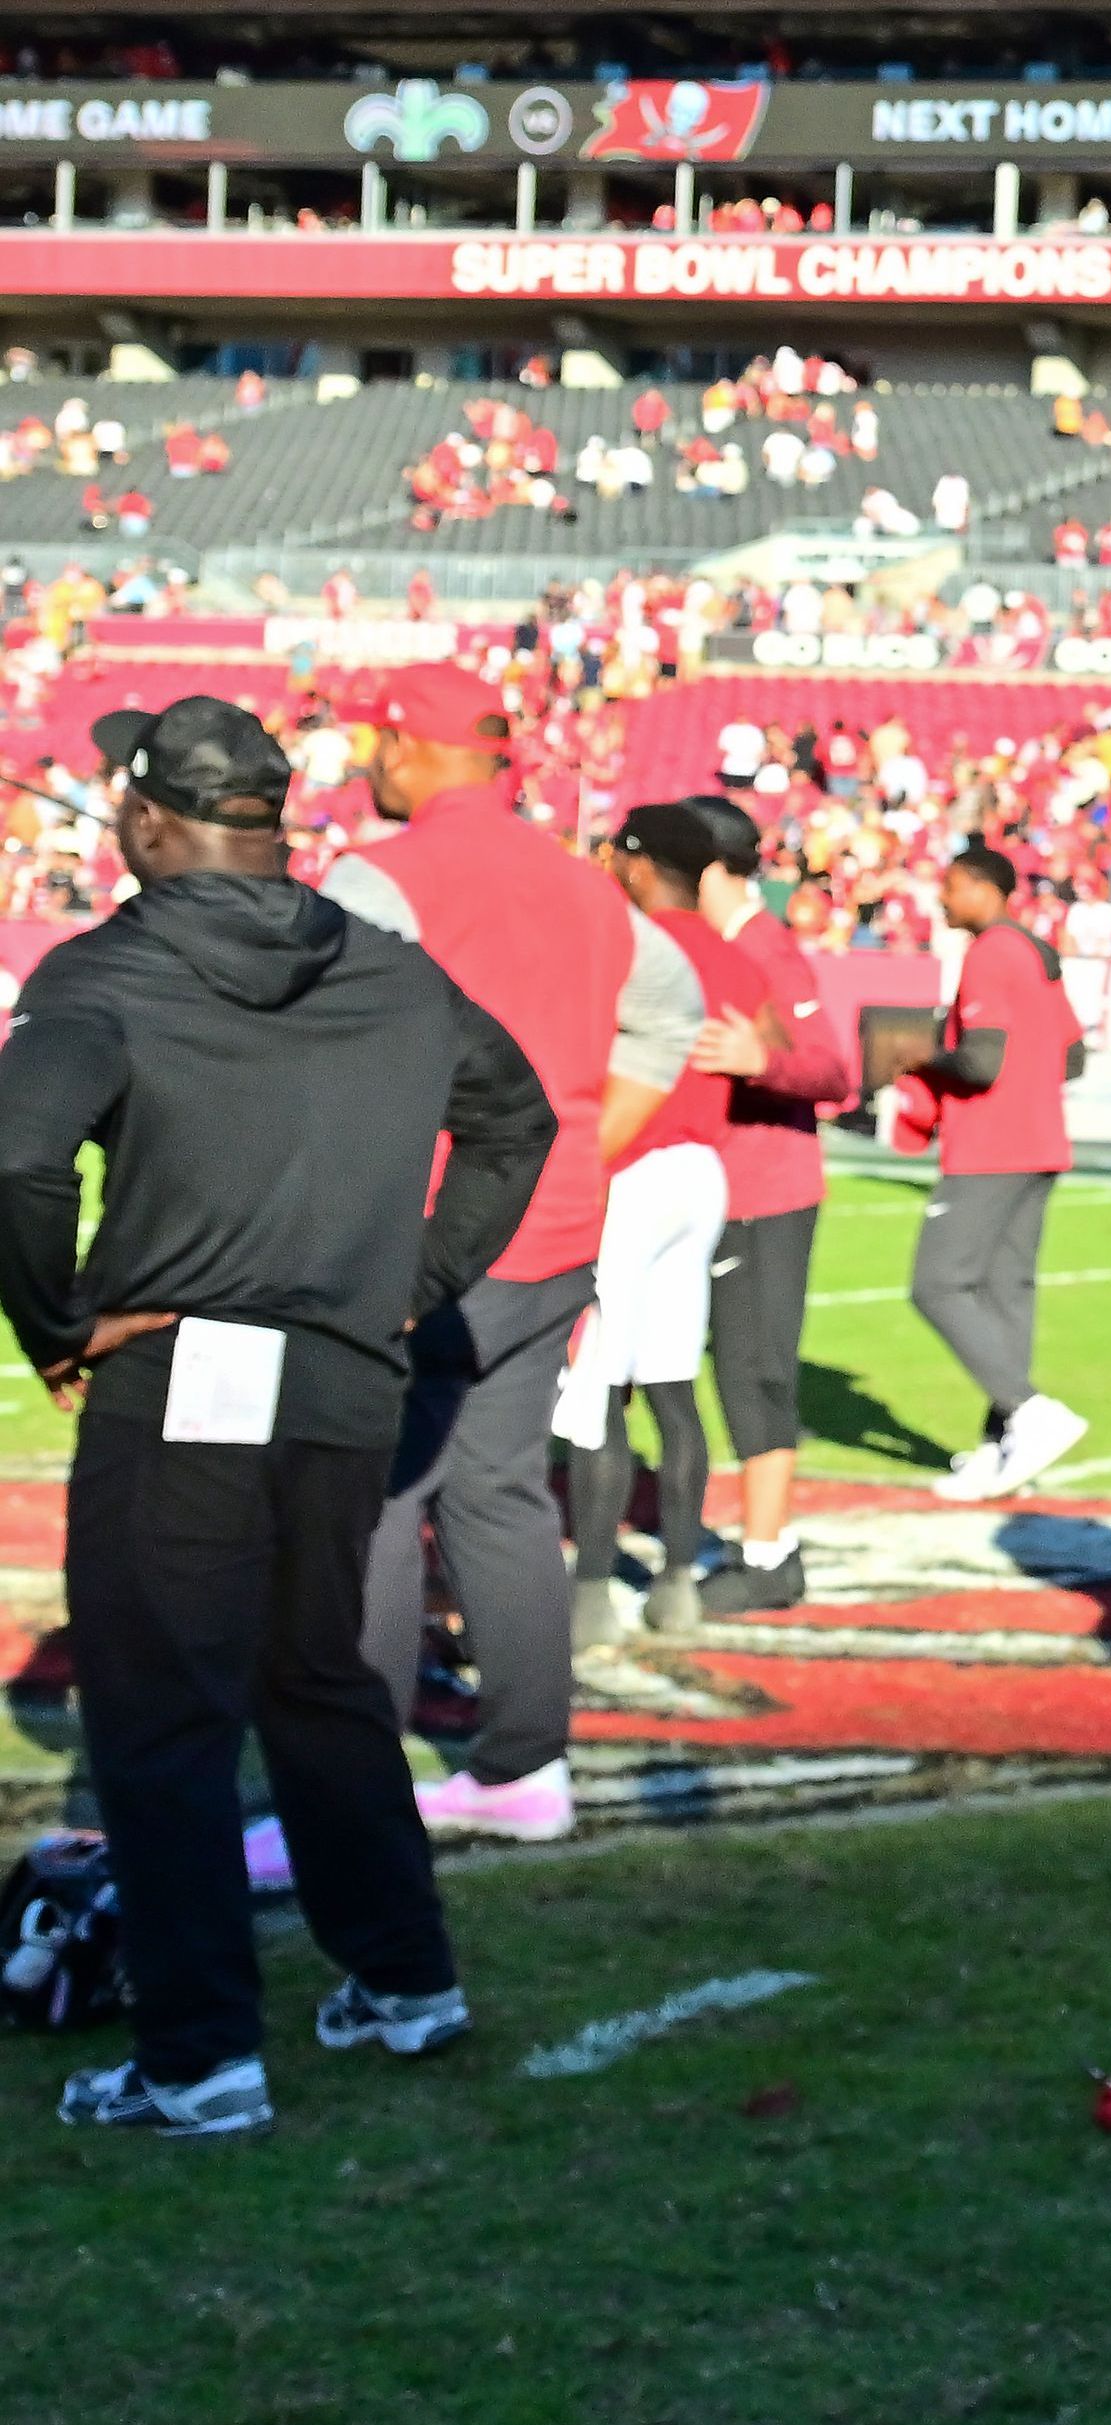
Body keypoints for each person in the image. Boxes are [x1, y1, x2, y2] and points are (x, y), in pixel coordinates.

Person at [0, 700, 552, 2135]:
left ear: (144, 819)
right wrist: (408, 1285)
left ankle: (198, 2056)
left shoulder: (106, 967)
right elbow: (520, 1121)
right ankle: (406, 1978)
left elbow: (17, 1159)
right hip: (345, 1381)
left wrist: (55, 1323)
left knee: (162, 1710)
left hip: (189, 1371)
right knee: (316, 1678)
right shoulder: (386, 966)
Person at [322, 660, 706, 1846]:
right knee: (497, 1489)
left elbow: (320, 1055)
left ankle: (355, 1786)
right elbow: (672, 1008)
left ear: (408, 746)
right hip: (554, 1228)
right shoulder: (583, 884)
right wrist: (590, 1138)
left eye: (378, 743)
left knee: (377, 1495)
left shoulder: (381, 876)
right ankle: (526, 1766)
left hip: (424, 1234)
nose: (368, 763)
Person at [567, 804, 763, 1640]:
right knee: (675, 1387)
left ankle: (589, 1595)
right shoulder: (734, 953)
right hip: (701, 1170)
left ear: (641, 864)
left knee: (598, 1389)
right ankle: (677, 1582)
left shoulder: (627, 942)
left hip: (632, 1166)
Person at [683, 793, 856, 1610]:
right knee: (714, 1366)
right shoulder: (722, 944)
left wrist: (761, 1059)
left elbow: (831, 1067)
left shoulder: (765, 949)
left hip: (763, 1190)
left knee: (754, 1368)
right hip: (720, 1184)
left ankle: (767, 1553)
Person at [906, 843, 1084, 1498]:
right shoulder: (1038, 951)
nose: (943, 898)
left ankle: (1030, 1411)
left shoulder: (990, 951)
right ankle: (1005, 1444)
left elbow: (981, 1063)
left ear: (986, 889)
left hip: (991, 1146)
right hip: (1041, 1141)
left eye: (952, 885)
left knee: (936, 1284)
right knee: (1008, 1293)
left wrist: (920, 1057)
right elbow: (1074, 1055)